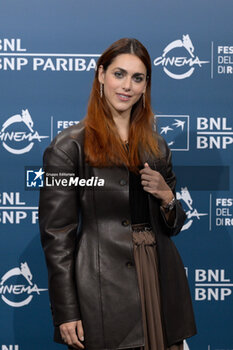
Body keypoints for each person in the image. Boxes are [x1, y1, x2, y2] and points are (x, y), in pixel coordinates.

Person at [39, 38, 197, 350]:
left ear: (145, 85)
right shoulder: (68, 146)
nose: (127, 86)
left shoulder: (157, 146)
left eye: (137, 78)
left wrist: (168, 197)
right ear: (101, 75)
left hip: (160, 280)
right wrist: (66, 311)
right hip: (102, 287)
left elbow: (173, 225)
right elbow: (57, 235)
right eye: (119, 74)